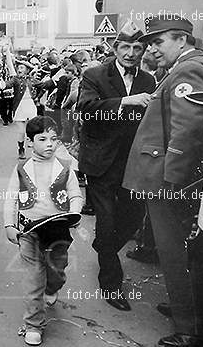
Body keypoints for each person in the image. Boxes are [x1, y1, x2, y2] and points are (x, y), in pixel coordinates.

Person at [123, 15, 203, 347]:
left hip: (170, 181)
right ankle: (183, 306)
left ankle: (187, 328)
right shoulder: (186, 67)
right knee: (180, 250)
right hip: (176, 178)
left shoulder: (189, 70)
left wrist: (172, 181)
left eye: (158, 42)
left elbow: (187, 130)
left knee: (173, 251)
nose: (151, 49)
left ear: (182, 40)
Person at [77, 28, 156, 312]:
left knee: (133, 216)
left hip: (133, 163)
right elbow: (86, 108)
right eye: (125, 47)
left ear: (143, 50)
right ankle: (111, 283)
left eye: (137, 48)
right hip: (101, 162)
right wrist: (125, 102)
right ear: (115, 47)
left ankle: (104, 246)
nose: (131, 53)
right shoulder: (95, 75)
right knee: (107, 220)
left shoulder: (149, 79)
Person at [4, 116, 84, 346]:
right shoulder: (21, 168)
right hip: (29, 230)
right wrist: (9, 224)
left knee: (57, 269)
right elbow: (10, 198)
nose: (50, 144)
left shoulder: (66, 168)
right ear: (29, 142)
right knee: (33, 278)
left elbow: (75, 195)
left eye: (54, 138)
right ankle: (33, 324)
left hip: (58, 230)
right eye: (42, 139)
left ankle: (53, 286)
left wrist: (75, 213)